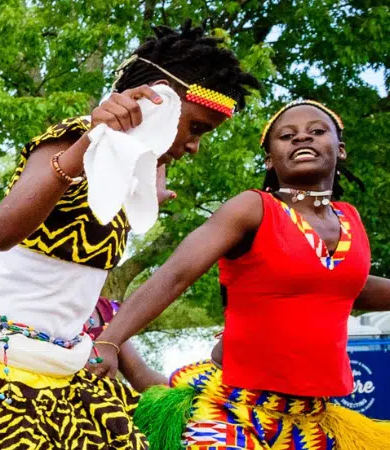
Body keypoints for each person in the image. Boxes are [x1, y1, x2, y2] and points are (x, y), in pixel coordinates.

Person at [0, 25, 260, 450]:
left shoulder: (138, 162)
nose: (196, 146)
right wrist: (86, 144)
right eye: (196, 128)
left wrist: (152, 186)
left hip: (68, 367)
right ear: (159, 100)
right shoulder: (76, 136)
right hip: (0, 369)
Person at [95, 100, 390, 450]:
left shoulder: (350, 219)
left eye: (316, 131)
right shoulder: (252, 209)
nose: (301, 139)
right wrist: (109, 341)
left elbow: (348, 286)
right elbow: (175, 274)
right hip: (232, 408)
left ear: (339, 150)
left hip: (311, 418)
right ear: (269, 159)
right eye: (287, 136)